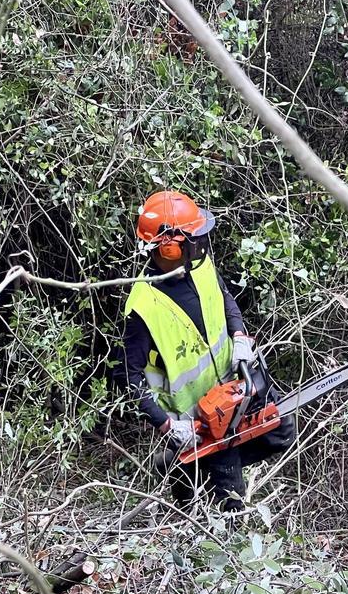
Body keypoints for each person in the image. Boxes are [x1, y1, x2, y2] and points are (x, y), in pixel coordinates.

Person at [120, 190, 293, 511]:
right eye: (192, 238)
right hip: (199, 413)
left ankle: (186, 467)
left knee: (281, 430)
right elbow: (128, 376)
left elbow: (225, 297)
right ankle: (202, 471)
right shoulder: (143, 307)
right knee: (232, 499)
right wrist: (169, 425)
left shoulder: (200, 266)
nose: (200, 244)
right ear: (170, 247)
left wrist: (239, 335)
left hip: (234, 381)